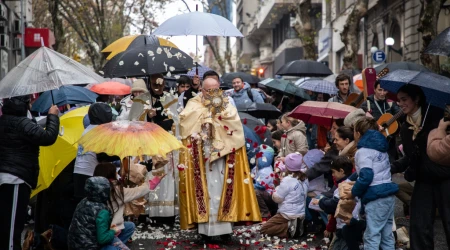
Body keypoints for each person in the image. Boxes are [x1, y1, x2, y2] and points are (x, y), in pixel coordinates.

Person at [178, 77, 261, 239]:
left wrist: (214, 122)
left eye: (216, 90)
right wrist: (203, 124)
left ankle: (225, 230)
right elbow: (185, 124)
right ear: (201, 90)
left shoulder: (226, 103)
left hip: (223, 158)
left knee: (223, 190)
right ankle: (205, 230)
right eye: (209, 90)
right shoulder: (193, 104)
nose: (212, 93)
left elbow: (234, 125)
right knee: (206, 191)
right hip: (201, 160)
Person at [390, 84, 450, 250]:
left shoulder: (436, 116)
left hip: (444, 176)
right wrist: (392, 167)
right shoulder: (405, 127)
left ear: (416, 99)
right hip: (424, 178)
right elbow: (410, 157)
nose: (400, 104)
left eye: (404, 99)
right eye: (398, 100)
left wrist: (427, 135)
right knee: (419, 223)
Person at [0, 96, 59, 250]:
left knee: (7, 225)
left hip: (8, 177)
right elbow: (48, 137)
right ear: (25, 105)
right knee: (13, 227)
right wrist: (53, 116)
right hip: (15, 179)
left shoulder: (5, 120)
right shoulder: (21, 123)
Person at [351, 117, 399, 249]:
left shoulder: (363, 151)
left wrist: (354, 191)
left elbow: (367, 175)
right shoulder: (381, 148)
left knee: (371, 235)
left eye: (353, 131)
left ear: (359, 134)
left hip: (375, 196)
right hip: (388, 194)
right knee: (386, 235)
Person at [74, 103, 120, 202]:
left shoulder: (88, 129)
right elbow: (102, 156)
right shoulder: (99, 131)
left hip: (78, 174)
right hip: (90, 175)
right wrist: (120, 154)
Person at [68, 176, 128, 250]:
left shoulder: (84, 201)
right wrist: (113, 231)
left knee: (129, 226)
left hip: (74, 245)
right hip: (89, 247)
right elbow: (102, 239)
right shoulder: (102, 211)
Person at [317, 156, 364, 250]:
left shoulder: (345, 186)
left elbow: (334, 204)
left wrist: (321, 201)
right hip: (344, 225)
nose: (332, 175)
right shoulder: (350, 182)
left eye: (334, 172)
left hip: (346, 225)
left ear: (341, 171)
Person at [260, 152, 308, 238]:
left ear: (287, 166)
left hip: (287, 213)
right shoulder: (304, 177)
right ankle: (294, 226)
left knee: (264, 229)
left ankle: (290, 227)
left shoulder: (287, 180)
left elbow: (277, 198)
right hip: (300, 212)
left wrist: (277, 188)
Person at [252, 145, 278, 221]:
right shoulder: (257, 168)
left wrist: (250, 186)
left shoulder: (266, 171)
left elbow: (261, 186)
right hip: (264, 193)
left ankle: (265, 214)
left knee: (255, 192)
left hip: (269, 195)